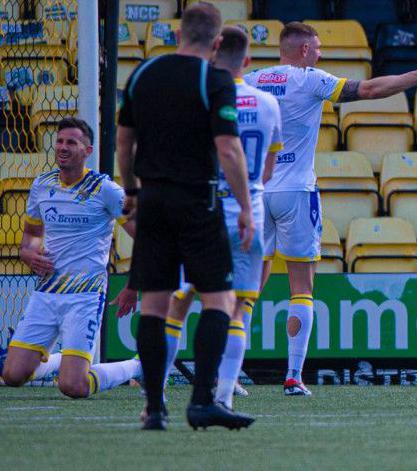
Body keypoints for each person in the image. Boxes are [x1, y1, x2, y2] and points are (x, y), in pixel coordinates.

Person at [243, 21, 417, 396]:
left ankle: (229, 374)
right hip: (296, 190)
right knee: (301, 287)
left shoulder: (251, 82)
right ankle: (293, 376)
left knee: (248, 287)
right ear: (302, 51)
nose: (320, 53)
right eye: (316, 48)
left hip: (255, 190)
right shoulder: (309, 79)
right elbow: (372, 89)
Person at [117, 3, 255, 430]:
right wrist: (246, 207)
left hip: (153, 199)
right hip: (198, 201)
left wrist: (133, 192)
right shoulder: (213, 79)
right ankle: (201, 402)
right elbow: (228, 149)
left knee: (155, 305)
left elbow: (124, 142)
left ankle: (155, 408)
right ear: (216, 43)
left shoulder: (143, 73)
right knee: (220, 300)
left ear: (177, 34)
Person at [155, 25, 282, 411]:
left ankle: (156, 396)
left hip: (201, 213)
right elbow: (268, 170)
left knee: (179, 303)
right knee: (239, 308)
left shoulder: (200, 98)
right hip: (249, 214)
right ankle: (224, 396)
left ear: (213, 54)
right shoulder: (267, 103)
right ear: (247, 61)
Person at [0, 117, 143, 398]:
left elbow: (147, 237)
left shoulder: (106, 190)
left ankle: (138, 366)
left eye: (71, 142)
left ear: (87, 150)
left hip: (85, 295)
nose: (63, 148)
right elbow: (30, 236)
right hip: (47, 292)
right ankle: (64, 360)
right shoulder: (42, 186)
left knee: (73, 386)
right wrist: (28, 253)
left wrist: (133, 285)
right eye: (60, 141)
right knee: (12, 375)